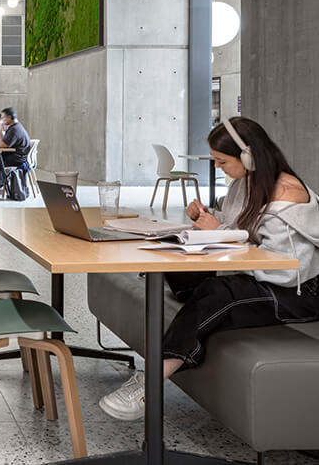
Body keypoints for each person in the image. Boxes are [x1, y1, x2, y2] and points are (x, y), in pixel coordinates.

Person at [99, 116, 319, 421]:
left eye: (221, 161)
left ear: (249, 157)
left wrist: (219, 229)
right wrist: (206, 216)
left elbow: (280, 267)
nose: (218, 168)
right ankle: (202, 314)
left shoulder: (286, 193)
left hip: (295, 291)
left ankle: (149, 383)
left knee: (219, 291)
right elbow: (241, 227)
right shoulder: (247, 184)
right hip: (257, 276)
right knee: (175, 263)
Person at [0, 107, 31, 187]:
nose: (2, 120)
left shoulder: (14, 129)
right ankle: (1, 184)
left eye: (3, 117)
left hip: (17, 158)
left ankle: (1, 186)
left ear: (9, 117)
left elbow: (3, 145)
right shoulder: (16, 127)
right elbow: (4, 143)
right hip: (17, 156)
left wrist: (0, 129)